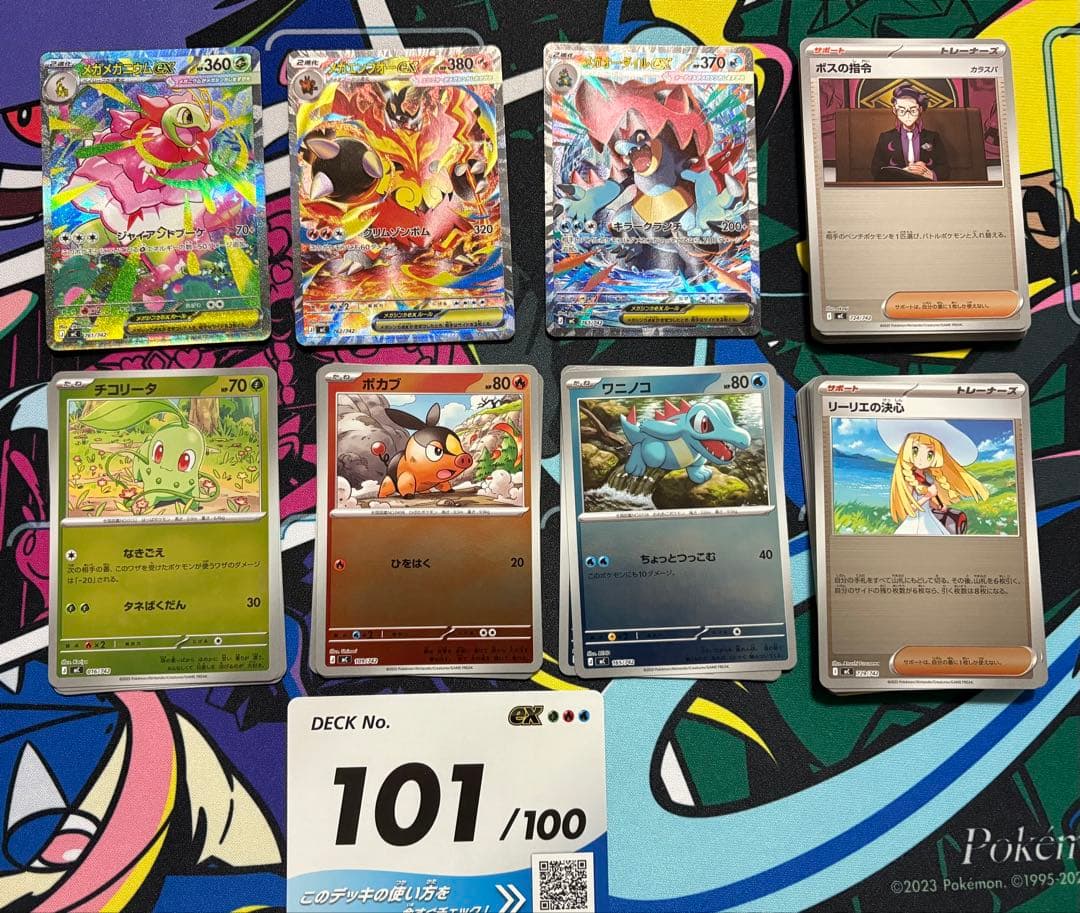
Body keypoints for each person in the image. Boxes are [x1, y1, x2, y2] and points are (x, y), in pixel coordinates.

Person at [879, 420, 988, 536]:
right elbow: (908, 509)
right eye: (915, 450)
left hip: (928, 518)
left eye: (930, 454)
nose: (921, 459)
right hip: (913, 522)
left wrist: (938, 506)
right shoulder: (908, 478)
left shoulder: (928, 478)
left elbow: (928, 503)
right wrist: (928, 495)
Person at [870, 84, 950, 182]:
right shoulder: (885, 138)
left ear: (920, 110)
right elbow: (876, 170)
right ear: (895, 110)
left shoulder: (933, 137)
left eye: (913, 110)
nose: (907, 115)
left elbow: (945, 169)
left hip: (925, 187)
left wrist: (931, 174)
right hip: (897, 188)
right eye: (902, 110)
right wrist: (902, 173)